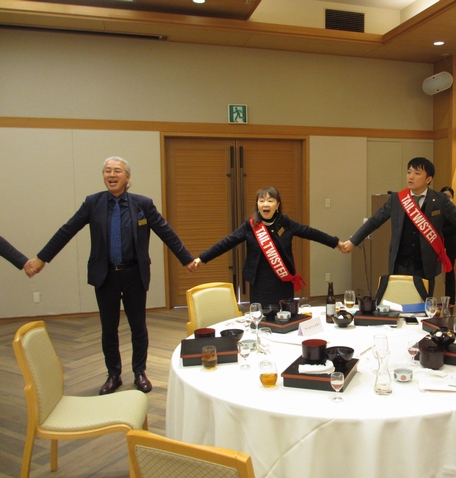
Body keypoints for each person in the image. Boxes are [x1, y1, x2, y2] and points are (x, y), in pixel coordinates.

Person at [26, 156, 196, 395]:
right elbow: (67, 230)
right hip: (105, 275)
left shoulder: (143, 204)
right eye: (107, 171)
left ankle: (139, 372)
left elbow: (165, 231)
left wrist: (186, 258)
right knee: (109, 328)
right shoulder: (92, 203)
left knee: (138, 326)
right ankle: (113, 374)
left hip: (134, 273)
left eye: (117, 171)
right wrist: (41, 258)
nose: (111, 175)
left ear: (127, 177)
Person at [342, 157, 456, 297]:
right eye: (409, 172)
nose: (411, 177)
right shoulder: (397, 199)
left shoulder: (440, 200)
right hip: (399, 263)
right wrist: (354, 241)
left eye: (417, 173)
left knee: (422, 309)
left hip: (425, 265)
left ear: (428, 179)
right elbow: (374, 221)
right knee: (399, 306)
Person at [192, 187, 343, 306]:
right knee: (263, 319)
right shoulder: (250, 226)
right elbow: (226, 243)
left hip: (283, 281)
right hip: (259, 283)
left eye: (270, 200)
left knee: (285, 317)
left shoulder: (286, 223)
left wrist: (336, 243)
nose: (265, 204)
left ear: (277, 205)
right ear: (257, 205)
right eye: (261, 201)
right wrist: (201, 258)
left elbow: (311, 233)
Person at [440, 186, 456, 305]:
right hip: (437, 246)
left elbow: (455, 227)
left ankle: (451, 300)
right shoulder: (436, 210)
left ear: (452, 197)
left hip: (450, 246)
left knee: (449, 273)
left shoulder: (455, 211)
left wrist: (440, 232)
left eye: (449, 196)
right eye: (444, 196)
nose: (447, 198)